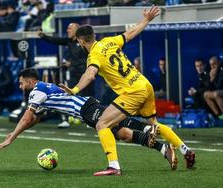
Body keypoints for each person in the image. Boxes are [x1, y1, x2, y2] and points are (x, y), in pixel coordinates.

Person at [59, 6, 195, 176]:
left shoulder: (93, 56)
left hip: (132, 92)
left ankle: (114, 166)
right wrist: (146, 19)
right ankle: (185, 150)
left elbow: (90, 74)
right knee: (153, 125)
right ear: (94, 36)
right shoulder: (109, 41)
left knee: (102, 124)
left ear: (80, 41)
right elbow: (130, 33)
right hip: (144, 84)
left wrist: (75, 89)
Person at [0, 68, 178, 171]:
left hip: (86, 110)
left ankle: (148, 130)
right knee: (123, 134)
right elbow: (34, 119)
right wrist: (17, 131)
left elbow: (27, 118)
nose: (20, 86)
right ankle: (163, 149)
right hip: (87, 108)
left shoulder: (37, 91)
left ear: (30, 81)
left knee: (119, 125)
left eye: (21, 82)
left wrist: (12, 137)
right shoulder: (44, 89)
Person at [38, 22, 95, 128]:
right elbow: (56, 40)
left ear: (77, 31)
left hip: (86, 74)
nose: (68, 30)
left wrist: (72, 63)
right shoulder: (69, 41)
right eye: (68, 28)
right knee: (68, 95)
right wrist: (43, 36)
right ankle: (66, 119)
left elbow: (90, 57)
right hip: (73, 74)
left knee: (88, 96)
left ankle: (90, 119)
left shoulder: (85, 43)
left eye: (70, 28)